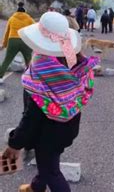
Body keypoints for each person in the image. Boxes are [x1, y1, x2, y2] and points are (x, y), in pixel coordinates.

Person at [2, 11, 99, 192]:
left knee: (51, 171)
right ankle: (36, 187)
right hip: (68, 126)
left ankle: (39, 184)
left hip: (47, 133)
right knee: (49, 161)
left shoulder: (40, 68)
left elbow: (32, 115)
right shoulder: (73, 57)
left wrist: (15, 143)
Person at [0, 2, 34, 84]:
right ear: (25, 12)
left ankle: (0, 77)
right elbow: (34, 30)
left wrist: (3, 45)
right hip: (25, 41)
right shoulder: (29, 19)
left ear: (16, 11)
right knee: (29, 61)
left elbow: (7, 33)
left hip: (13, 40)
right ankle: (32, 79)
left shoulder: (12, 18)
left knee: (7, 60)